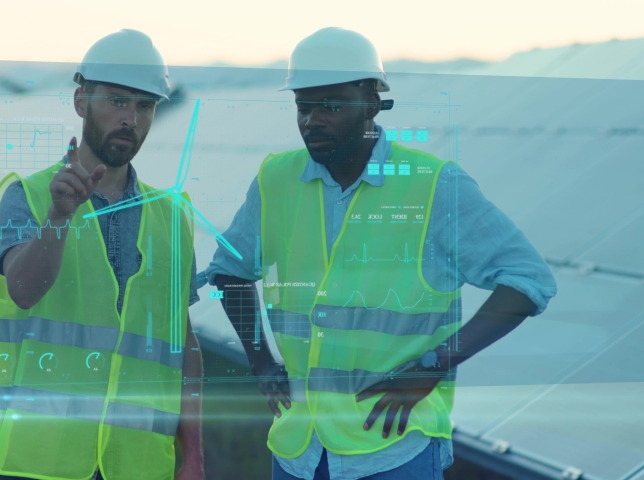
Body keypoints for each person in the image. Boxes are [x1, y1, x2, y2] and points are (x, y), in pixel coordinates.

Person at [205, 27, 557, 479]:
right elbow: (229, 270)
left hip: (395, 451)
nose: (312, 120)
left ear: (372, 102)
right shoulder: (277, 179)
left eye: (330, 105)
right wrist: (260, 361)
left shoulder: (433, 185)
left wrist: (433, 365)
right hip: (299, 451)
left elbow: (529, 281)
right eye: (303, 106)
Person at [0, 29, 204, 480]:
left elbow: (184, 347)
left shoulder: (172, 218)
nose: (131, 118)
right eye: (117, 101)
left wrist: (194, 458)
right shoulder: (28, 195)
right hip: (45, 462)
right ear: (81, 101)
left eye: (145, 106)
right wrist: (59, 218)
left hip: (140, 465)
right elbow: (23, 290)